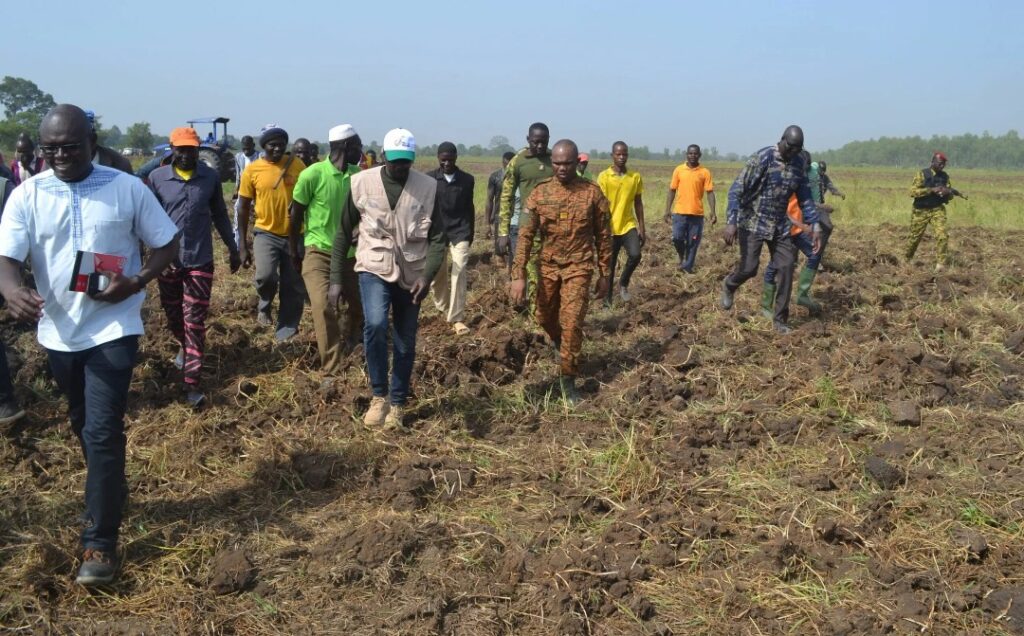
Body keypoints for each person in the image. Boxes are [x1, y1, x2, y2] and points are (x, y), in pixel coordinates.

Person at [0, 104, 180, 586]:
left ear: (91, 142)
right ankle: (110, 485)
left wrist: (136, 280)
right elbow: (7, 259)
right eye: (50, 147)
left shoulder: (126, 188)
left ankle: (100, 542)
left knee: (101, 430)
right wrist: (12, 290)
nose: (59, 155)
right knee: (83, 424)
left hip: (113, 327)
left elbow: (167, 243)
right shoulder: (28, 194)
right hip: (58, 332)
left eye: (70, 146)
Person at [329, 128, 446, 430]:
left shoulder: (428, 187)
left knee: (406, 342)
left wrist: (428, 275)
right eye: (395, 161)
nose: (400, 167)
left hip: (412, 274)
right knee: (377, 323)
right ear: (382, 157)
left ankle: (397, 404)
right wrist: (335, 279)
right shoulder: (361, 183)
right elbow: (343, 232)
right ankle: (378, 395)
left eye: (406, 162)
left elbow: (437, 238)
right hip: (373, 266)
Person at [509, 139, 611, 405]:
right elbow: (525, 236)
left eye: (567, 163)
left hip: (579, 267)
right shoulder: (539, 194)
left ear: (577, 162)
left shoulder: (592, 193)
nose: (561, 168)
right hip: (548, 268)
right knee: (543, 317)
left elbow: (604, 236)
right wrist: (518, 275)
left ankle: (568, 381)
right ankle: (559, 342)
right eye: (556, 163)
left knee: (572, 323)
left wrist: (605, 274)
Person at [148, 127, 241, 407]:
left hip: (200, 259)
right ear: (172, 149)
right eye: (181, 149)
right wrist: (149, 258)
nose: (186, 155)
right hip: (167, 261)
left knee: (194, 321)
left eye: (191, 149)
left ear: (197, 150)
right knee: (174, 315)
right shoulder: (156, 178)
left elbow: (221, 216)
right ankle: (184, 346)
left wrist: (234, 248)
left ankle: (191, 383)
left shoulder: (210, 177)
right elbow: (147, 221)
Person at [721, 125, 820, 334]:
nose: (794, 152)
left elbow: (805, 197)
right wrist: (731, 221)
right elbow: (736, 189)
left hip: (780, 224)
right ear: (782, 140)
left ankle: (780, 320)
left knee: (786, 267)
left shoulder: (799, 162)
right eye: (791, 147)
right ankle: (730, 284)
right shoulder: (762, 158)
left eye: (798, 148)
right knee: (750, 268)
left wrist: (815, 225)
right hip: (753, 222)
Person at [289, 124, 363, 374]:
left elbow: (368, 212)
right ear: (344, 146)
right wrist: (294, 252)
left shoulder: (359, 176)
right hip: (318, 252)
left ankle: (353, 340)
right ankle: (331, 368)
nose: (361, 152)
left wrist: (360, 229)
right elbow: (295, 215)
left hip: (351, 256)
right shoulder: (312, 175)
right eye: (358, 147)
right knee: (322, 307)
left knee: (361, 305)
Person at [237, 125, 307, 341]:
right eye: (272, 145)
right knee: (265, 276)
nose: (277, 149)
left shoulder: (297, 166)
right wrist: (241, 244)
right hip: (266, 233)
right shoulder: (253, 170)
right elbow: (243, 206)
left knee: (293, 284)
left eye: (281, 145)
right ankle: (264, 305)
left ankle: (286, 330)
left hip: (295, 235)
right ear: (263, 146)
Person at [496, 123, 553, 308]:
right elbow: (506, 198)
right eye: (536, 142)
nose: (539, 146)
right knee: (529, 268)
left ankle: (543, 309)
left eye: (543, 142)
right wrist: (503, 232)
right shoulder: (518, 162)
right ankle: (533, 312)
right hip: (527, 226)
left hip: (553, 227)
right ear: (528, 140)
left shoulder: (555, 159)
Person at [427, 142, 476, 335]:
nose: (447, 163)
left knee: (459, 269)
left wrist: (470, 232)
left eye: (450, 159)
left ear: (456, 158)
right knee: (437, 274)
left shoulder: (467, 180)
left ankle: (457, 318)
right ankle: (443, 306)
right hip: (437, 232)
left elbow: (469, 207)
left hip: (460, 231)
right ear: (438, 158)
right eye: (443, 159)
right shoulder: (430, 179)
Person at [597, 141, 645, 304]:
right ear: (612, 156)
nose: (622, 157)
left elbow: (638, 203)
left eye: (624, 154)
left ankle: (623, 282)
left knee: (635, 255)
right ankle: (607, 301)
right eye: (618, 154)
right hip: (609, 228)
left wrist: (642, 228)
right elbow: (600, 204)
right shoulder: (604, 177)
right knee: (609, 267)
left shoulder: (634, 177)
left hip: (627, 225)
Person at [906, 152, 965, 271]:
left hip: (937, 209)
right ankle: (907, 259)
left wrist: (947, 194)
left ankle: (941, 265)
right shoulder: (922, 174)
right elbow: (912, 192)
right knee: (914, 238)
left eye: (944, 164)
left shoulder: (944, 177)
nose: (942, 166)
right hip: (920, 211)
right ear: (932, 162)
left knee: (942, 235)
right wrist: (931, 190)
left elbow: (949, 195)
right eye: (940, 163)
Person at [665, 144, 716, 273]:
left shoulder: (704, 172)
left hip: (696, 214)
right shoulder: (678, 170)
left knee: (693, 243)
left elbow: (710, 192)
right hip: (679, 213)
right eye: (690, 153)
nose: (693, 156)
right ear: (686, 154)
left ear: (699, 155)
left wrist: (713, 212)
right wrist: (667, 210)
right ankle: (682, 257)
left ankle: (687, 268)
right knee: (677, 238)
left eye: (695, 154)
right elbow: (672, 190)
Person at [232, 135, 261, 249]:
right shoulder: (238, 157)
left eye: (248, 148)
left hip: (257, 191)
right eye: (244, 149)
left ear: (253, 146)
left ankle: (259, 243)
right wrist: (237, 189)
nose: (246, 151)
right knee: (238, 213)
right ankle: (237, 244)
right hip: (244, 191)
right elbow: (238, 175)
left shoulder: (260, 156)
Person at [485, 151, 515, 246]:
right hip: (499, 216)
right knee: (500, 250)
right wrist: (487, 223)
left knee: (514, 249)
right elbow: (489, 200)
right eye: (506, 165)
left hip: (516, 218)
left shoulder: (520, 177)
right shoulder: (495, 177)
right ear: (503, 163)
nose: (508, 168)